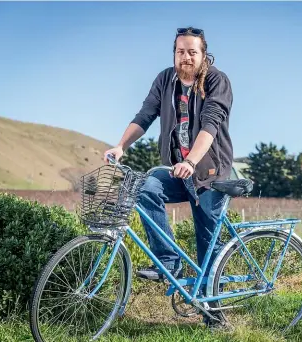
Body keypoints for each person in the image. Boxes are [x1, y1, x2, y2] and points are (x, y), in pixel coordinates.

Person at [104, 26, 234, 284]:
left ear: (203, 54)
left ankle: (215, 313)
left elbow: (211, 124)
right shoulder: (165, 80)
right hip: (177, 170)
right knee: (144, 188)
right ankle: (168, 262)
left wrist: (191, 160)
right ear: (174, 53)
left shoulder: (216, 81)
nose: (186, 57)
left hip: (209, 174)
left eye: (192, 52)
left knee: (208, 246)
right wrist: (121, 146)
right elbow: (145, 115)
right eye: (180, 51)